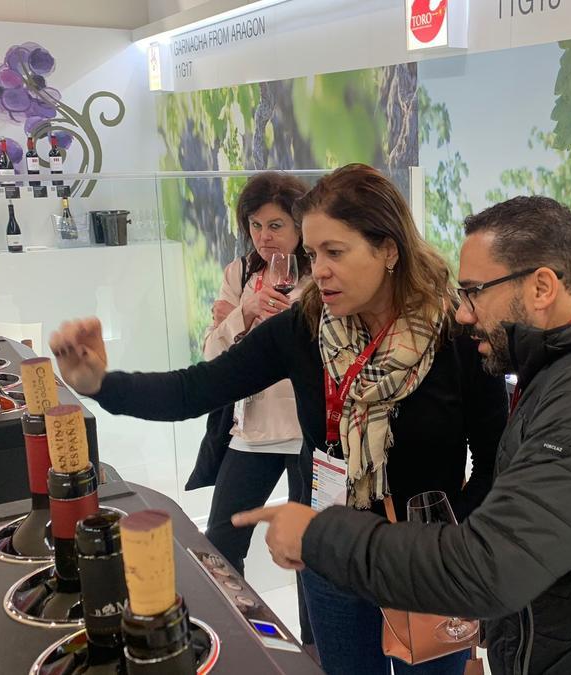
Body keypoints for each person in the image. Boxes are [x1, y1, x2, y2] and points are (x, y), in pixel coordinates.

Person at [48, 163, 507, 675]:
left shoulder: (458, 339)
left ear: (389, 250)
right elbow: (193, 389)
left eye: (335, 251)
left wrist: (446, 541)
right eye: (313, 253)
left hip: (426, 566)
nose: (320, 269)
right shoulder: (303, 329)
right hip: (332, 556)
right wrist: (99, 384)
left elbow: (494, 465)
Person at [239, 196, 571, 674]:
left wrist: (321, 536)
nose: (463, 314)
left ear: (542, 287)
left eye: (474, 291)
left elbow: (489, 568)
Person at [197, 171, 308, 576]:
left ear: (300, 225)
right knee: (221, 543)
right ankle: (236, 634)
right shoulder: (240, 272)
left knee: (308, 553)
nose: (264, 236)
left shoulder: (319, 278)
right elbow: (213, 354)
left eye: (276, 225)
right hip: (250, 427)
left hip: (304, 428)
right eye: (255, 225)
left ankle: (314, 642)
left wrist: (243, 330)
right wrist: (244, 313)